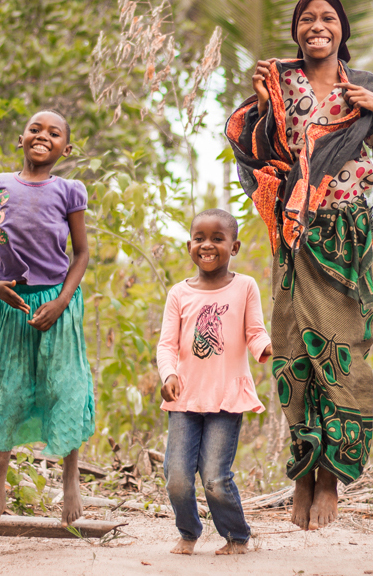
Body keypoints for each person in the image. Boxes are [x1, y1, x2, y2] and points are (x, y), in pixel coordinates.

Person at [224, 0, 373, 530]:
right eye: (307, 19)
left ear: (342, 30)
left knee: (343, 354)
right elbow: (260, 154)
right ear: (296, 30)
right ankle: (302, 475)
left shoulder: (365, 87)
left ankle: (331, 483)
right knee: (293, 353)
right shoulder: (279, 86)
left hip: (348, 237)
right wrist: (261, 105)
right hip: (297, 235)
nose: (317, 26)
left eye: (327, 18)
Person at [0, 110, 94, 539]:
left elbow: (80, 254)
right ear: (21, 138)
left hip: (57, 302)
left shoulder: (69, 191)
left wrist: (62, 301)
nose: (43, 136)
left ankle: (70, 482)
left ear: (66, 147)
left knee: (65, 386)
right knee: (6, 394)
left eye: (54, 132)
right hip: (9, 303)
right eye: (35, 129)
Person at [156, 209, 272, 556]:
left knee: (215, 478)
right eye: (199, 238)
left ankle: (237, 536)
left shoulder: (245, 286)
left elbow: (254, 332)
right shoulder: (179, 293)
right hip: (185, 399)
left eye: (217, 239)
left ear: (233, 246)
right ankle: (188, 531)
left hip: (226, 398)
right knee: (177, 476)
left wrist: (267, 348)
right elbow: (167, 345)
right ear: (189, 245)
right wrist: (169, 375)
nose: (207, 245)